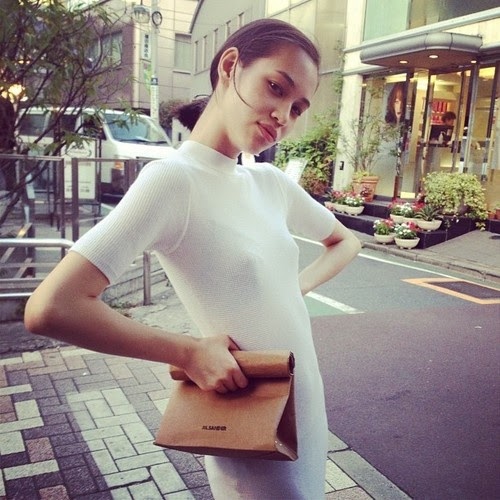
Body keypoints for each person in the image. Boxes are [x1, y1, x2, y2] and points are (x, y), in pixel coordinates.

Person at [25, 18, 361, 499]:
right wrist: (188, 353)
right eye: (275, 87)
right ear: (230, 66)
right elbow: (52, 308)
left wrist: (293, 289)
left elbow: (345, 241)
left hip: (305, 403)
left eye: (297, 107)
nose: (283, 115)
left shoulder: (270, 183)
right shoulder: (173, 180)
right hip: (247, 416)